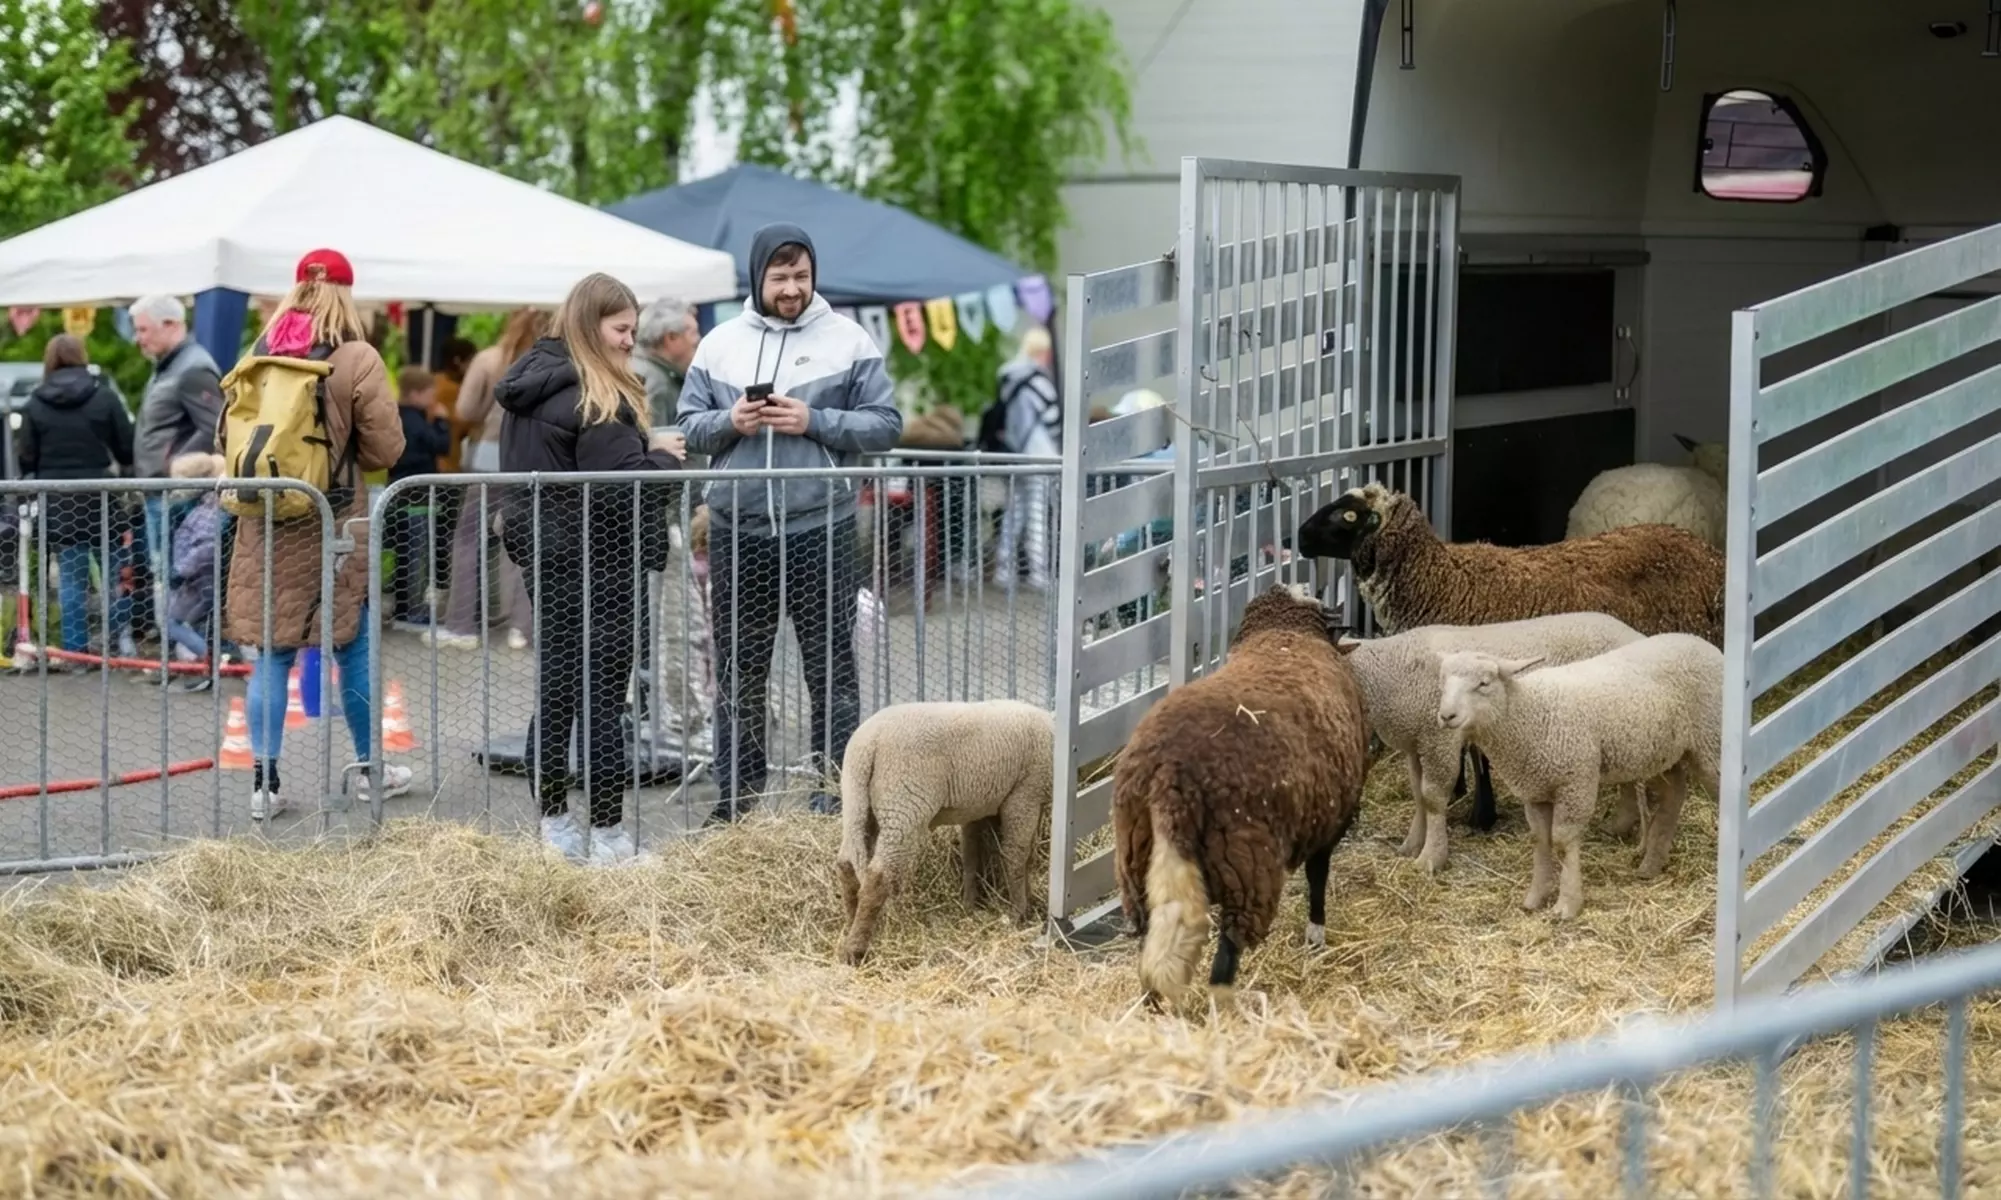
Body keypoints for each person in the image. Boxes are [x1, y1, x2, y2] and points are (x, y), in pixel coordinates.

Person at [678, 222, 904, 823]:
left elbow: (886, 424)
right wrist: (731, 421)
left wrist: (815, 420)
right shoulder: (718, 344)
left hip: (822, 525)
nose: (791, 289)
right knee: (739, 674)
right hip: (738, 527)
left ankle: (835, 798)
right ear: (758, 277)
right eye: (780, 277)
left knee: (831, 672)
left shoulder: (849, 340)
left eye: (801, 276)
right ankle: (737, 803)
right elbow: (689, 427)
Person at [497, 272, 685, 865]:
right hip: (600, 560)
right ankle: (607, 834)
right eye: (621, 329)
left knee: (556, 692)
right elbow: (623, 487)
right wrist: (663, 458)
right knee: (603, 701)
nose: (630, 340)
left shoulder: (531, 382)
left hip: (547, 555)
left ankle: (554, 826)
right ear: (589, 323)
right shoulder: (597, 395)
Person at [221, 248, 410, 821]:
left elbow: (224, 439)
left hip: (264, 522)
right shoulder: (357, 357)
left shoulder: (258, 355)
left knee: (272, 654)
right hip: (334, 520)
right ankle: (368, 772)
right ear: (346, 294)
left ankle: (264, 786)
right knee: (352, 645)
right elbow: (386, 449)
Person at [16, 334, 135, 658]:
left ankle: (75, 652)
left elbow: (26, 457)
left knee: (70, 581)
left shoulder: (35, 403)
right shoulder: (104, 397)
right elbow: (126, 448)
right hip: (101, 496)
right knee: (114, 576)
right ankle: (117, 645)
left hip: (58, 499)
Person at [429, 309, 542, 652]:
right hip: (535, 457)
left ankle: (462, 625)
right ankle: (523, 627)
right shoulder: (550, 361)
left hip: (490, 455)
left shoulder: (490, 360)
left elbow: (465, 410)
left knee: (469, 539)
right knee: (528, 540)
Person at [131, 293, 224, 647]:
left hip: (179, 495)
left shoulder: (193, 368)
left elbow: (215, 426)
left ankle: (205, 655)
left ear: (171, 325)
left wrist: (175, 466)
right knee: (170, 578)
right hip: (163, 492)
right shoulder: (171, 367)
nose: (139, 338)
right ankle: (190, 655)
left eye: (144, 329)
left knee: (182, 579)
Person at [991, 325, 1060, 591]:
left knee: (1015, 511)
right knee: (1037, 513)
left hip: (1016, 453)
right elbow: (1052, 419)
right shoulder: (1038, 381)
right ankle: (1038, 572)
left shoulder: (1008, 379)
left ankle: (1003, 568)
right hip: (1040, 456)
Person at [387, 366, 453, 630]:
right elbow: (441, 445)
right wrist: (441, 422)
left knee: (408, 552)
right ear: (415, 394)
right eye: (430, 394)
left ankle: (405, 608)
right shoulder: (415, 421)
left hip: (402, 492)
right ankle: (408, 611)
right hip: (416, 498)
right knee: (413, 554)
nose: (433, 400)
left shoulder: (396, 417)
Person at [161, 452, 227, 691]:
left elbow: (206, 546)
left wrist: (180, 571)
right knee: (201, 624)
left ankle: (211, 659)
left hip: (198, 579)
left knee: (173, 622)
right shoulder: (205, 506)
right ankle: (210, 667)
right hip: (200, 577)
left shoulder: (209, 510)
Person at [633, 297, 701, 438]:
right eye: (693, 333)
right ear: (671, 338)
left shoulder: (638, 368)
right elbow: (655, 445)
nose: (698, 340)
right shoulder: (657, 385)